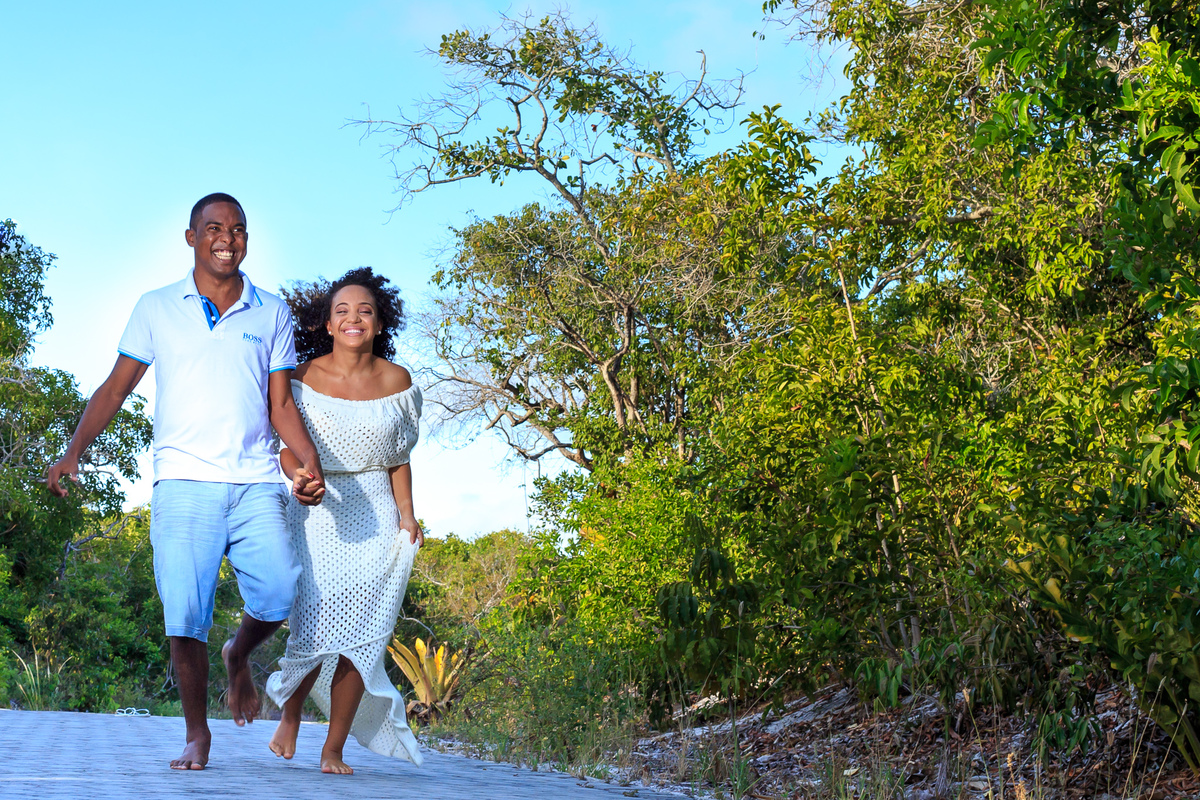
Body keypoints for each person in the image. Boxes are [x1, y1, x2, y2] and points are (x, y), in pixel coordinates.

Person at [45, 193, 326, 770]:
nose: (228, 237)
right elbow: (115, 388)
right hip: (182, 480)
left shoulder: (270, 311)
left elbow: (280, 405)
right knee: (185, 613)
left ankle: (238, 653)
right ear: (191, 236)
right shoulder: (155, 307)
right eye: (215, 228)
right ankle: (197, 733)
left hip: (252, 480)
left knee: (279, 589)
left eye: (239, 229)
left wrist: (307, 461)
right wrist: (74, 451)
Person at [265, 266, 425, 774]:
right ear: (328, 324)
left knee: (364, 633)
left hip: (377, 515)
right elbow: (285, 449)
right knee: (313, 622)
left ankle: (333, 748)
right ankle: (290, 712)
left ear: (379, 324)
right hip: (316, 511)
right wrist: (298, 479)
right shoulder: (302, 378)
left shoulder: (398, 381)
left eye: (365, 311)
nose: (353, 317)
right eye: (342, 311)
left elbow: (399, 457)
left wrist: (408, 516)